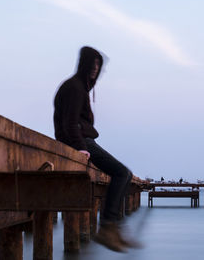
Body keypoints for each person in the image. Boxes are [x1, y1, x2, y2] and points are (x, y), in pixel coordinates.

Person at [53, 46, 135, 252]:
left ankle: (113, 228)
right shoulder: (75, 88)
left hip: (83, 139)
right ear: (84, 64)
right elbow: (69, 122)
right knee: (122, 173)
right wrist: (80, 148)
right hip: (81, 141)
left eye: (99, 65)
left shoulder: (79, 87)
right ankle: (108, 228)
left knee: (125, 174)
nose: (95, 68)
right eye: (93, 63)